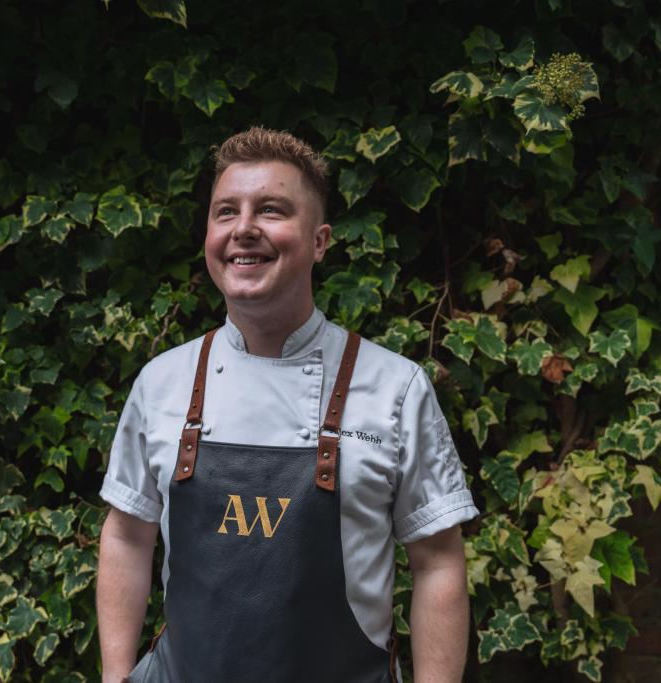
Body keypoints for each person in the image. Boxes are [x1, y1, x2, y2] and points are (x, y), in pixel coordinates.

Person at [96, 126, 479, 683]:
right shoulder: (162, 382)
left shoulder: (396, 389)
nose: (244, 228)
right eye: (226, 212)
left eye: (271, 210)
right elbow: (128, 535)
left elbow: (438, 561)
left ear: (320, 242)